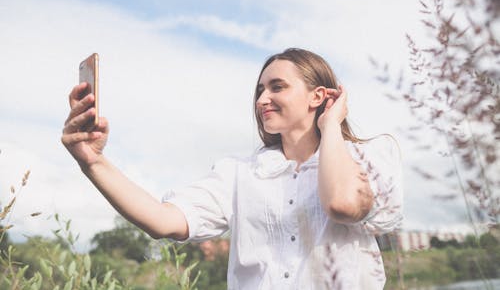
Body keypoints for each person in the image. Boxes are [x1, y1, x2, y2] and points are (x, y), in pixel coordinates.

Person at [61, 48, 402, 289]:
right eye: (260, 90)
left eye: (277, 87)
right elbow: (163, 221)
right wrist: (93, 161)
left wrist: (330, 127)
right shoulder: (239, 174)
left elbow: (342, 204)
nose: (261, 99)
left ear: (318, 97)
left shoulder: (370, 157)